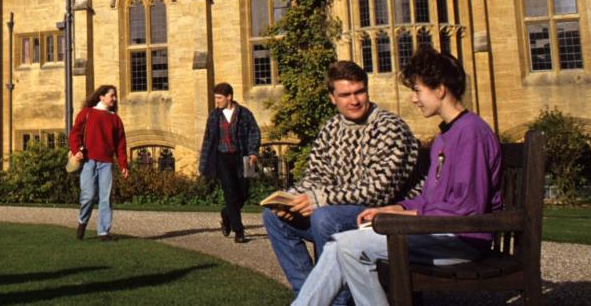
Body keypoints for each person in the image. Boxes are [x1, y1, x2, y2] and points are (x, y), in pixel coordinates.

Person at [293, 49, 503, 305]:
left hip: (460, 238)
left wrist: (402, 216)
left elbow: (465, 208)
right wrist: (397, 206)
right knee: (339, 244)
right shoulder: (444, 136)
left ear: (440, 89)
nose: (414, 99)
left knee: (348, 246)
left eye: (418, 90)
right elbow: (430, 197)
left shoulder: (471, 133)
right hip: (438, 231)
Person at [262, 61, 420, 305]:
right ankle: (308, 295)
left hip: (384, 217)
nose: (354, 100)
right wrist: (291, 199)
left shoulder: (390, 127)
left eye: (359, 92)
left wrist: (318, 199)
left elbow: (379, 192)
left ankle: (337, 301)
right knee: (273, 217)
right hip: (346, 211)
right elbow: (316, 175)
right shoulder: (331, 128)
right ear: (332, 98)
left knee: (326, 218)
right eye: (345, 95)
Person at [197, 82, 260, 243]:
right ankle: (239, 231)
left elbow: (254, 132)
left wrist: (253, 151)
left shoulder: (244, 113)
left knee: (243, 193)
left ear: (229, 97)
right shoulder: (214, 116)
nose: (217, 101)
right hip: (222, 158)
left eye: (219, 98)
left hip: (241, 157)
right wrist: (204, 163)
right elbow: (208, 140)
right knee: (230, 193)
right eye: (216, 98)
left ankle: (227, 214)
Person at [69, 84, 129, 241]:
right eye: (112, 95)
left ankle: (103, 232)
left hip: (106, 163)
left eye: (115, 96)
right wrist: (76, 151)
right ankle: (82, 221)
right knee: (88, 196)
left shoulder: (115, 119)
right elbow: (74, 134)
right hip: (88, 161)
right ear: (101, 97)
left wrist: (123, 164)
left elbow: (121, 144)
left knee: (105, 197)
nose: (114, 99)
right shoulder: (87, 113)